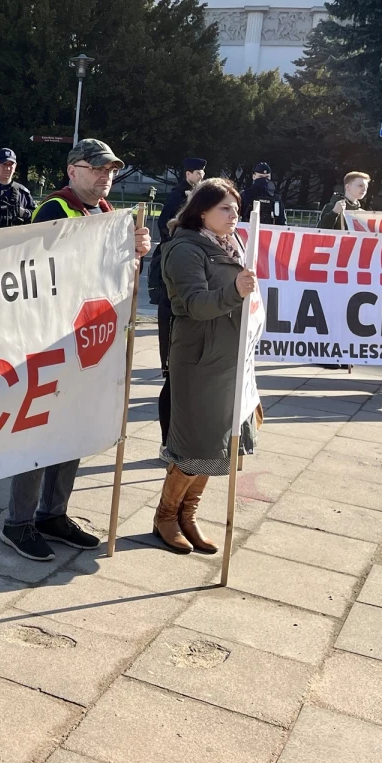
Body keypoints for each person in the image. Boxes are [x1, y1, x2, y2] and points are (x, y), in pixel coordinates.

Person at [0, 139, 152, 561]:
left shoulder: (106, 215)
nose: (105, 176)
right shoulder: (54, 210)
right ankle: (19, 522)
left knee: (71, 431)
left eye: (110, 170)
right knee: (38, 433)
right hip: (48, 340)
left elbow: (116, 275)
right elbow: (38, 271)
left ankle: (54, 514)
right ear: (72, 171)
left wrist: (135, 253)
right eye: (97, 168)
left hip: (87, 340)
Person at [158, 178, 262, 554]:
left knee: (219, 443)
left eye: (236, 208)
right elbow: (195, 304)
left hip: (230, 359)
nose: (235, 215)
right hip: (200, 359)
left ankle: (189, 513)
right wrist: (235, 289)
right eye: (225, 208)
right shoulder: (185, 248)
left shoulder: (230, 243)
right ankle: (166, 516)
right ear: (202, 210)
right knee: (196, 444)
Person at [149, 157, 206, 454]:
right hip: (175, 315)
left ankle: (185, 442)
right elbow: (163, 224)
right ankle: (167, 443)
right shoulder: (179, 242)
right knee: (173, 379)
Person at [316, 172, 369, 371]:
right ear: (348, 187)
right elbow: (319, 232)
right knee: (331, 311)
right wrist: (334, 213)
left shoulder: (361, 211)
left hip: (351, 267)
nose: (363, 190)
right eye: (359, 186)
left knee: (346, 313)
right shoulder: (334, 206)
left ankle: (341, 352)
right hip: (333, 266)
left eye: (365, 187)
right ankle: (324, 353)